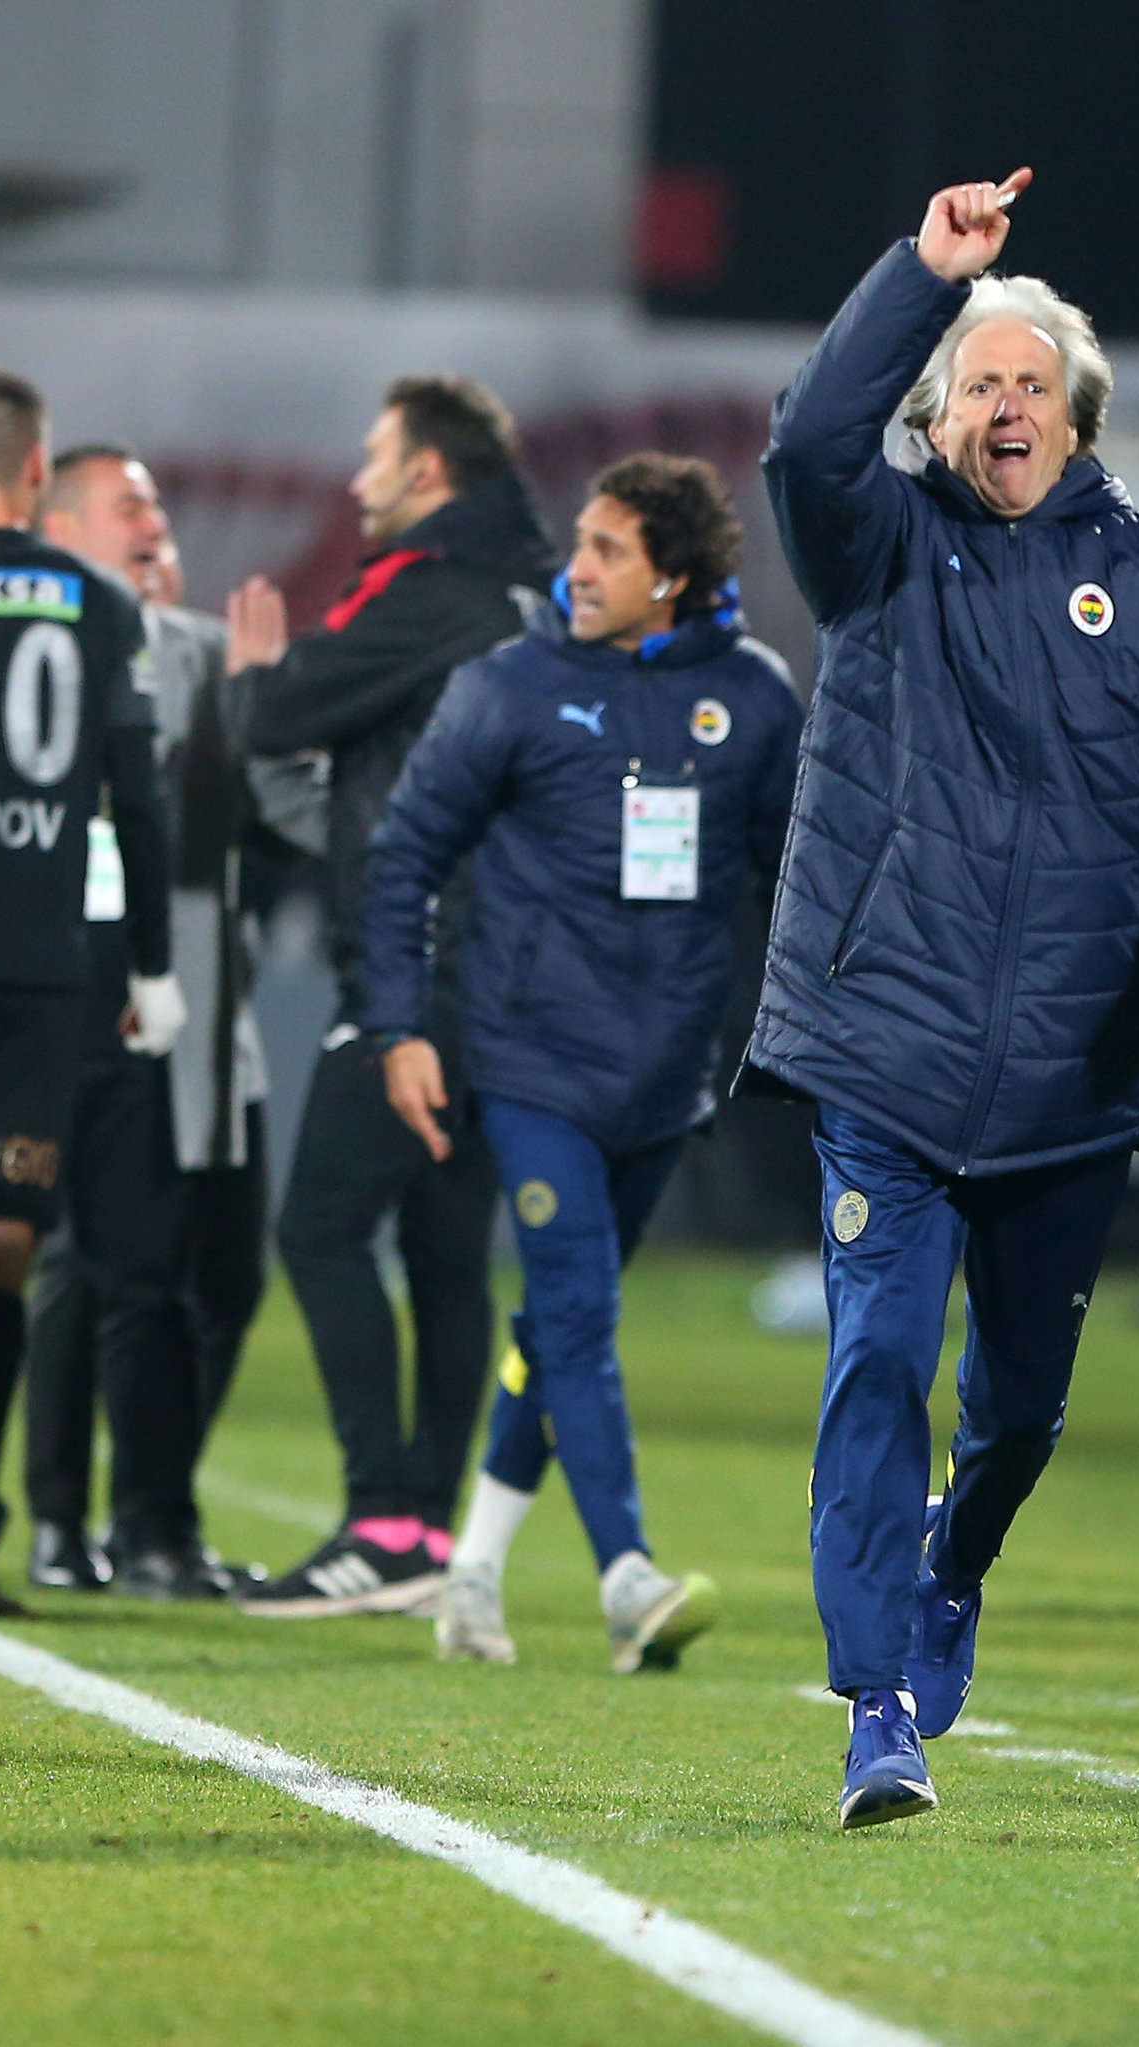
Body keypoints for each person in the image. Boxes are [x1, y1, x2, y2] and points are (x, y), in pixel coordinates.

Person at [741, 169, 1139, 1830]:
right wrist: (920, 278)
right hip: (884, 1043)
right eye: (969, 382)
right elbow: (803, 448)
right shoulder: (877, 546)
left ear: (1072, 415)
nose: (995, 405)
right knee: (877, 1364)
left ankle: (954, 1561)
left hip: (1075, 1074)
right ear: (936, 414)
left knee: (1013, 1414)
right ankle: (876, 1705)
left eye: (1022, 381)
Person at [359, 452, 802, 1670]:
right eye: (582, 542)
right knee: (577, 1306)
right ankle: (625, 1577)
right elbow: (401, 863)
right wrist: (400, 1027)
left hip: (664, 1075)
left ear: (672, 577)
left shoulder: (754, 700)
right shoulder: (506, 688)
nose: (578, 568)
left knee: (555, 1321)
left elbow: (797, 885)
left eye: (608, 550)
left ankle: (472, 1576)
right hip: (531, 1058)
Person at [232, 375, 555, 1617]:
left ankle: (383, 1520)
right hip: (516, 977)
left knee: (319, 1225)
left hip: (421, 966)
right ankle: (421, 1530)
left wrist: (258, 679)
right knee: (441, 1253)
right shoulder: (531, 595)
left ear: (428, 474)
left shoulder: (433, 592)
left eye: (375, 456)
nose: (358, 478)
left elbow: (284, 705)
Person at [19, 445, 283, 1598]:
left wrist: (260, 706)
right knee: (87, 1264)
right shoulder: (28, 644)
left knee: (188, 1274)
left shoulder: (207, 656)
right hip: (56, 995)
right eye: (132, 509)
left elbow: (251, 838)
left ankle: (122, 1519)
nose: (157, 531)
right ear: (58, 520)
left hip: (184, 1013)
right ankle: (84, 1522)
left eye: (164, 517)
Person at [0, 373, 180, 1614]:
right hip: (46, 973)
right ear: (37, 461)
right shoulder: (100, 609)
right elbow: (136, 800)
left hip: (28, 971)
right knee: (2, 1241)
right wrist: (150, 966)